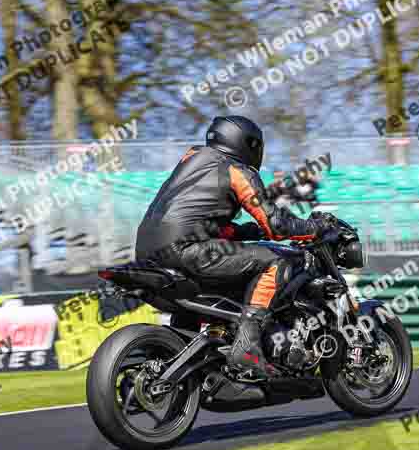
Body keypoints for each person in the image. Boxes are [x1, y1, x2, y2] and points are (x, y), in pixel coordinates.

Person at [135, 116, 335, 381]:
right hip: (186, 250)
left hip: (147, 251)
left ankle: (188, 357)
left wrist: (250, 231)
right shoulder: (235, 168)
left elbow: (201, 222)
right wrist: (316, 227)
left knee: (207, 291)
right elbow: (275, 223)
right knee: (278, 261)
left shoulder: (193, 161)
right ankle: (247, 346)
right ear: (249, 144)